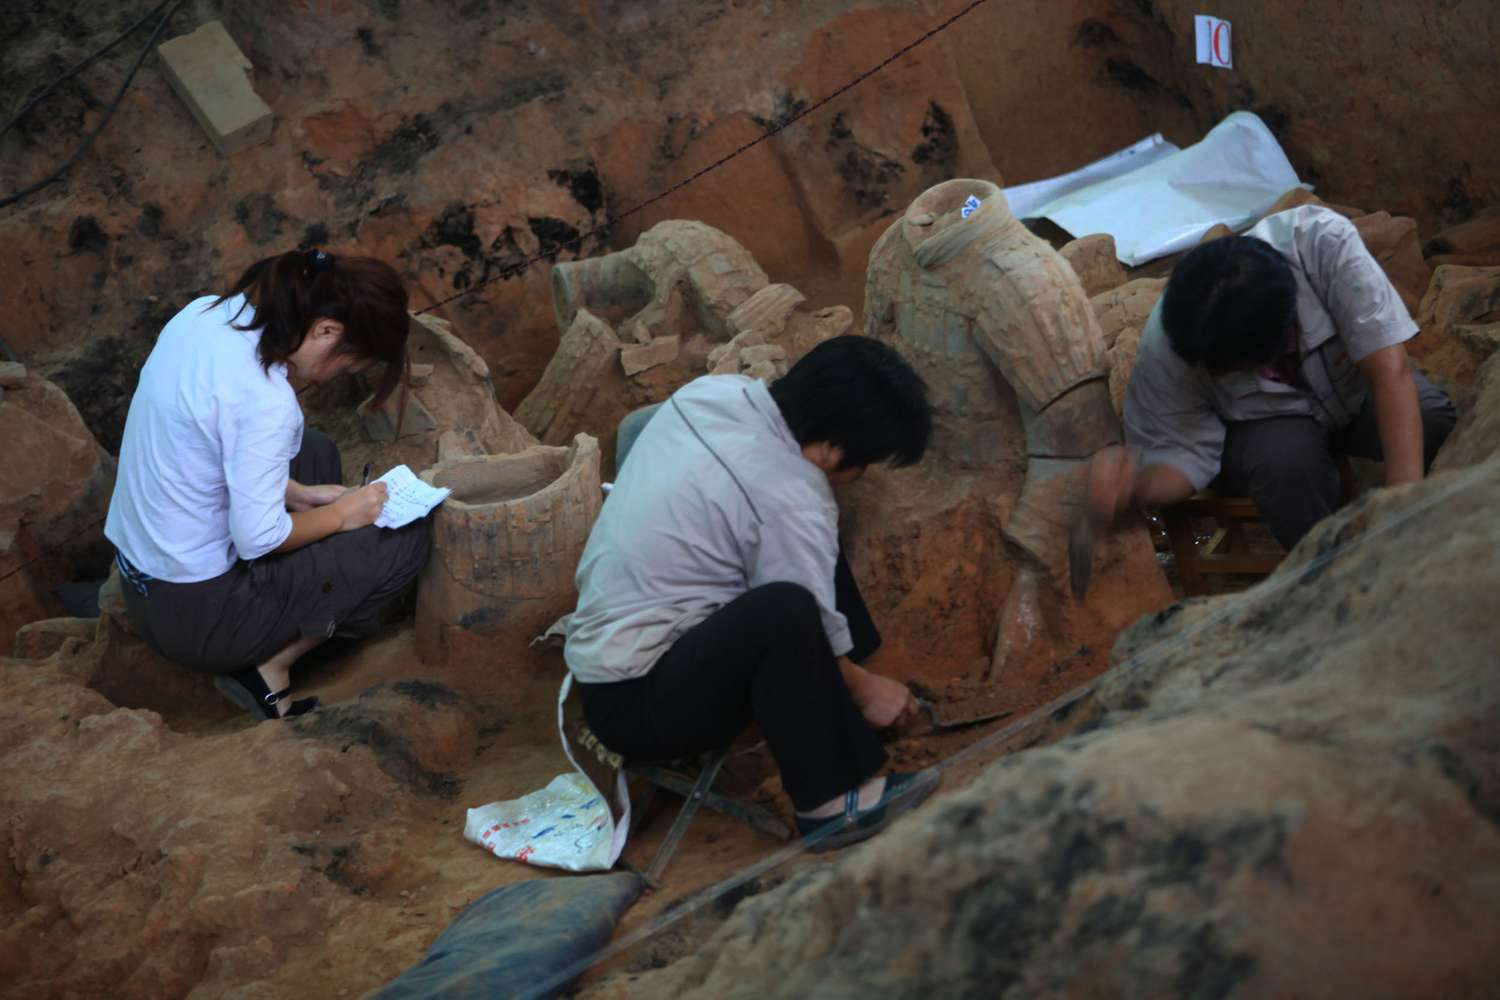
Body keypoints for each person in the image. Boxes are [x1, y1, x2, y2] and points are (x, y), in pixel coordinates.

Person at [566, 335, 939, 851]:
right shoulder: (792, 498)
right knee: (784, 606)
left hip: (610, 658)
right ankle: (831, 803)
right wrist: (864, 687)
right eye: (867, 461)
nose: (864, 474)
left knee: (807, 548)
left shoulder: (715, 393)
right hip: (638, 705)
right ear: (831, 448)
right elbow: (794, 593)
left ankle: (854, 705)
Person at [104, 249, 431, 720]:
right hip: (200, 619)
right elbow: (260, 539)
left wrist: (299, 495)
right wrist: (343, 515)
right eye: (348, 365)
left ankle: (282, 602)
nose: (336, 377)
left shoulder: (204, 313)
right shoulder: (266, 400)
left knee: (314, 450)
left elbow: (203, 442)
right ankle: (267, 670)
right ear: (325, 330)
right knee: (404, 539)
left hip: (143, 584)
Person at [1088, 205, 1456, 548]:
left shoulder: (1324, 243)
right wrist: (1134, 484)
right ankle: (1328, 573)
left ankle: (1433, 528)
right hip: (1272, 428)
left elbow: (1389, 371)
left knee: (1430, 415)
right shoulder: (1172, 341)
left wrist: (1400, 511)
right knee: (1286, 466)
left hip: (1353, 393)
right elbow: (1182, 457)